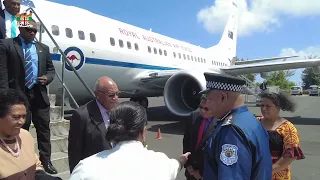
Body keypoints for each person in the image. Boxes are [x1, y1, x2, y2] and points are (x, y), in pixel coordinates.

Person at [69, 101, 191, 180]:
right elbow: (174, 166)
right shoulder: (162, 163)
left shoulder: (86, 167)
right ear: (143, 132)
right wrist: (181, 161)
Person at [0, 19, 57, 174]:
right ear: (21, 28)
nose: (32, 33)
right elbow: (3, 72)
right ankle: (21, 161)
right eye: (29, 30)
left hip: (39, 94)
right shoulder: (7, 45)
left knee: (44, 129)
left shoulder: (43, 48)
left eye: (34, 31)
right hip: (19, 95)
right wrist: (6, 97)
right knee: (21, 129)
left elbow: (52, 70)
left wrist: (47, 77)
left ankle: (46, 161)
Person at [200, 73, 272, 180]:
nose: (207, 104)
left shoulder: (232, 131)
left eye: (209, 99)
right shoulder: (250, 120)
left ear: (222, 97)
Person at [0, 89, 61, 180]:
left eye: (24, 116)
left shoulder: (25, 136)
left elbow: (36, 166)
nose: (21, 122)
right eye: (16, 117)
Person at [68, 76, 119, 173]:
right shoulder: (81, 116)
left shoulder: (120, 111)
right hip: (94, 172)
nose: (115, 98)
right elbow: (75, 152)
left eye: (117, 94)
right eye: (111, 95)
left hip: (116, 170)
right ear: (97, 94)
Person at [257, 92, 305, 180]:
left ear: (278, 108)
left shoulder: (288, 128)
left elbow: (289, 157)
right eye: (262, 105)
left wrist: (267, 171)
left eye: (268, 106)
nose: (264, 108)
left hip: (277, 176)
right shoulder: (254, 122)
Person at [183, 94, 215, 180]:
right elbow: (186, 141)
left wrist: (203, 172)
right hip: (191, 172)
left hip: (206, 174)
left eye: (206, 109)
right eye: (201, 107)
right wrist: (188, 164)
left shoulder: (221, 123)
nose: (202, 111)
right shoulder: (193, 116)